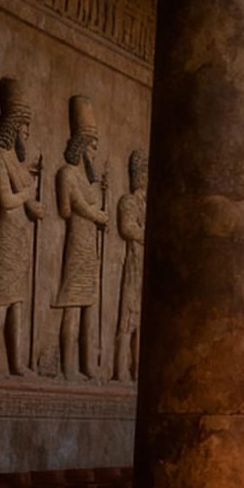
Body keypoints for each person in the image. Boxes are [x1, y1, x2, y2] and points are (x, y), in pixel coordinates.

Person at [0, 77, 42, 376]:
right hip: (7, 232)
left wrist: (36, 205)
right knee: (0, 296)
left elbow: (29, 204)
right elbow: (5, 199)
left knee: (18, 298)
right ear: (13, 126)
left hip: (21, 235)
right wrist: (27, 195)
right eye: (24, 127)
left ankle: (16, 361)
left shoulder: (19, 162)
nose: (27, 133)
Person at [53, 93, 110, 381]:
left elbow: (95, 208)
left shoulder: (89, 180)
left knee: (89, 304)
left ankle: (86, 364)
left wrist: (100, 207)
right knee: (74, 303)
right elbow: (67, 209)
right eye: (93, 146)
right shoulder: (67, 174)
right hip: (77, 239)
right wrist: (97, 214)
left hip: (90, 245)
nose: (94, 153)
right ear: (82, 145)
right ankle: (68, 366)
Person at [113, 148, 147, 383]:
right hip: (136, 261)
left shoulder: (147, 203)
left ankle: (138, 371)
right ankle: (120, 369)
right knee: (128, 317)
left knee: (143, 320)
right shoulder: (129, 201)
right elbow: (128, 228)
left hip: (148, 264)